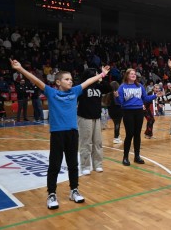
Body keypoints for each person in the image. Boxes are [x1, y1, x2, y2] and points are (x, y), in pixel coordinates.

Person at [10, 58, 110, 210]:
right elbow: (36, 81)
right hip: (57, 134)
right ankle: (51, 194)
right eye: (67, 79)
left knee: (73, 165)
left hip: (72, 133)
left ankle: (74, 190)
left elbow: (89, 81)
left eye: (71, 79)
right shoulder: (51, 93)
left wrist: (102, 74)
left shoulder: (75, 91)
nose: (71, 81)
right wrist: (20, 69)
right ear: (58, 82)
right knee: (55, 165)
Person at [115, 68, 158, 166]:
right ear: (127, 75)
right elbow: (120, 102)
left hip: (139, 111)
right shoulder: (122, 87)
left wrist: (155, 95)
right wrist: (117, 97)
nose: (134, 75)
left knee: (137, 134)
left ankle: (137, 156)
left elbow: (145, 98)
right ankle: (125, 157)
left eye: (134, 74)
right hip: (127, 112)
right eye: (131, 74)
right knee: (129, 134)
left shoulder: (140, 86)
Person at [77, 68, 109, 175]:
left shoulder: (98, 86)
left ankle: (97, 165)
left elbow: (108, 88)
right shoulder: (82, 86)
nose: (98, 76)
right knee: (86, 143)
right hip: (84, 118)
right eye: (96, 74)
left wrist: (102, 78)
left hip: (96, 118)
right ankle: (85, 166)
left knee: (98, 143)